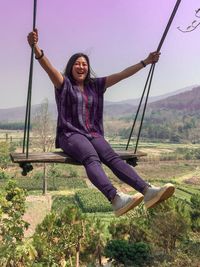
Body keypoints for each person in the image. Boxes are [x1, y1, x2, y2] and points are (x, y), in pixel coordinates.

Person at [27, 29, 175, 217]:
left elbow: (122, 74)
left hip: (93, 133)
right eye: (77, 64)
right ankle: (115, 199)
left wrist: (145, 62)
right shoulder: (63, 84)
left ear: (88, 68)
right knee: (91, 157)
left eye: (84, 64)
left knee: (112, 157)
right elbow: (48, 68)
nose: (81, 67)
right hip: (70, 134)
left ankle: (147, 191)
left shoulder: (96, 85)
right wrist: (36, 49)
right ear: (71, 67)